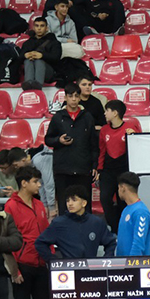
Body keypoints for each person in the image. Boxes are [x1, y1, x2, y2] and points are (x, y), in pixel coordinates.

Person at [6, 165, 70, 299]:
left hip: (41, 264)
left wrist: (49, 260)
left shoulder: (40, 205)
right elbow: (8, 239)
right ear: (24, 183)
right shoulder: (10, 206)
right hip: (22, 265)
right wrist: (14, 269)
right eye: (35, 181)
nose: (39, 185)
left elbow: (46, 235)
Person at [45, 84, 98, 213]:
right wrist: (59, 140)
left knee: (85, 207)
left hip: (83, 168)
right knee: (64, 207)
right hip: (63, 169)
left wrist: (95, 165)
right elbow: (48, 139)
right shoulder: (58, 117)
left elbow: (94, 143)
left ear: (80, 98)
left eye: (76, 96)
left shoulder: (87, 117)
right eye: (70, 96)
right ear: (65, 98)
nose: (73, 99)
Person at [97, 99, 137, 229]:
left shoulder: (129, 128)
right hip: (108, 171)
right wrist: (99, 169)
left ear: (115, 113)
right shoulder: (104, 130)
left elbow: (138, 147)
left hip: (124, 170)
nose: (104, 113)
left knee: (123, 201)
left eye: (107, 111)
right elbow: (102, 150)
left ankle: (124, 227)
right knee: (105, 198)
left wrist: (133, 137)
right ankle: (113, 227)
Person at [18, 16, 62, 90]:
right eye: (37, 26)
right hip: (31, 69)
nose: (39, 28)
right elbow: (19, 59)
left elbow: (56, 58)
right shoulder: (27, 43)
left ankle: (37, 86)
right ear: (33, 28)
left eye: (42, 26)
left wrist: (42, 56)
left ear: (46, 28)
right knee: (28, 60)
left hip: (49, 73)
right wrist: (25, 55)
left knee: (39, 61)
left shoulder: (54, 42)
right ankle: (29, 83)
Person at [116, 171, 150, 258]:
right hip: (123, 263)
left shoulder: (141, 212)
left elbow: (138, 243)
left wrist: (131, 263)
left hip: (134, 264)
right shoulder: (126, 210)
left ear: (122, 188)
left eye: (118, 188)